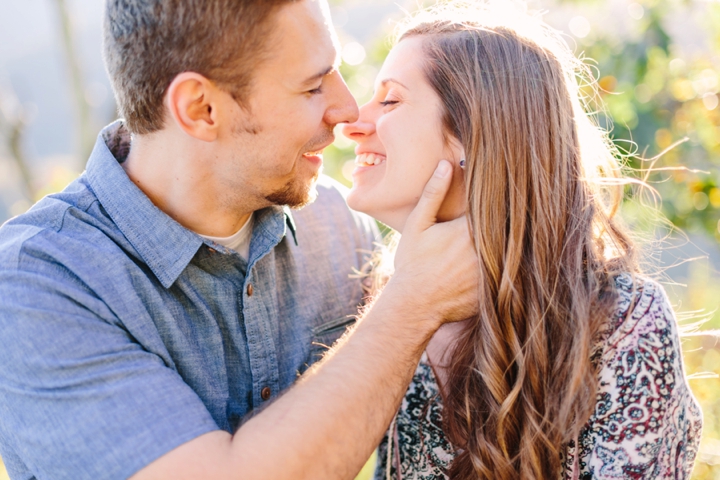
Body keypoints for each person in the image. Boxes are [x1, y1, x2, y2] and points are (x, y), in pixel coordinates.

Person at [0, 1, 480, 479]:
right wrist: (411, 304)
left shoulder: (334, 224)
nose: (345, 109)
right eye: (312, 86)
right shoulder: (37, 285)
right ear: (201, 109)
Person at [342, 3, 703, 479]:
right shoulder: (383, 300)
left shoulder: (624, 325)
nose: (350, 122)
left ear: (474, 131)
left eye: (389, 101)